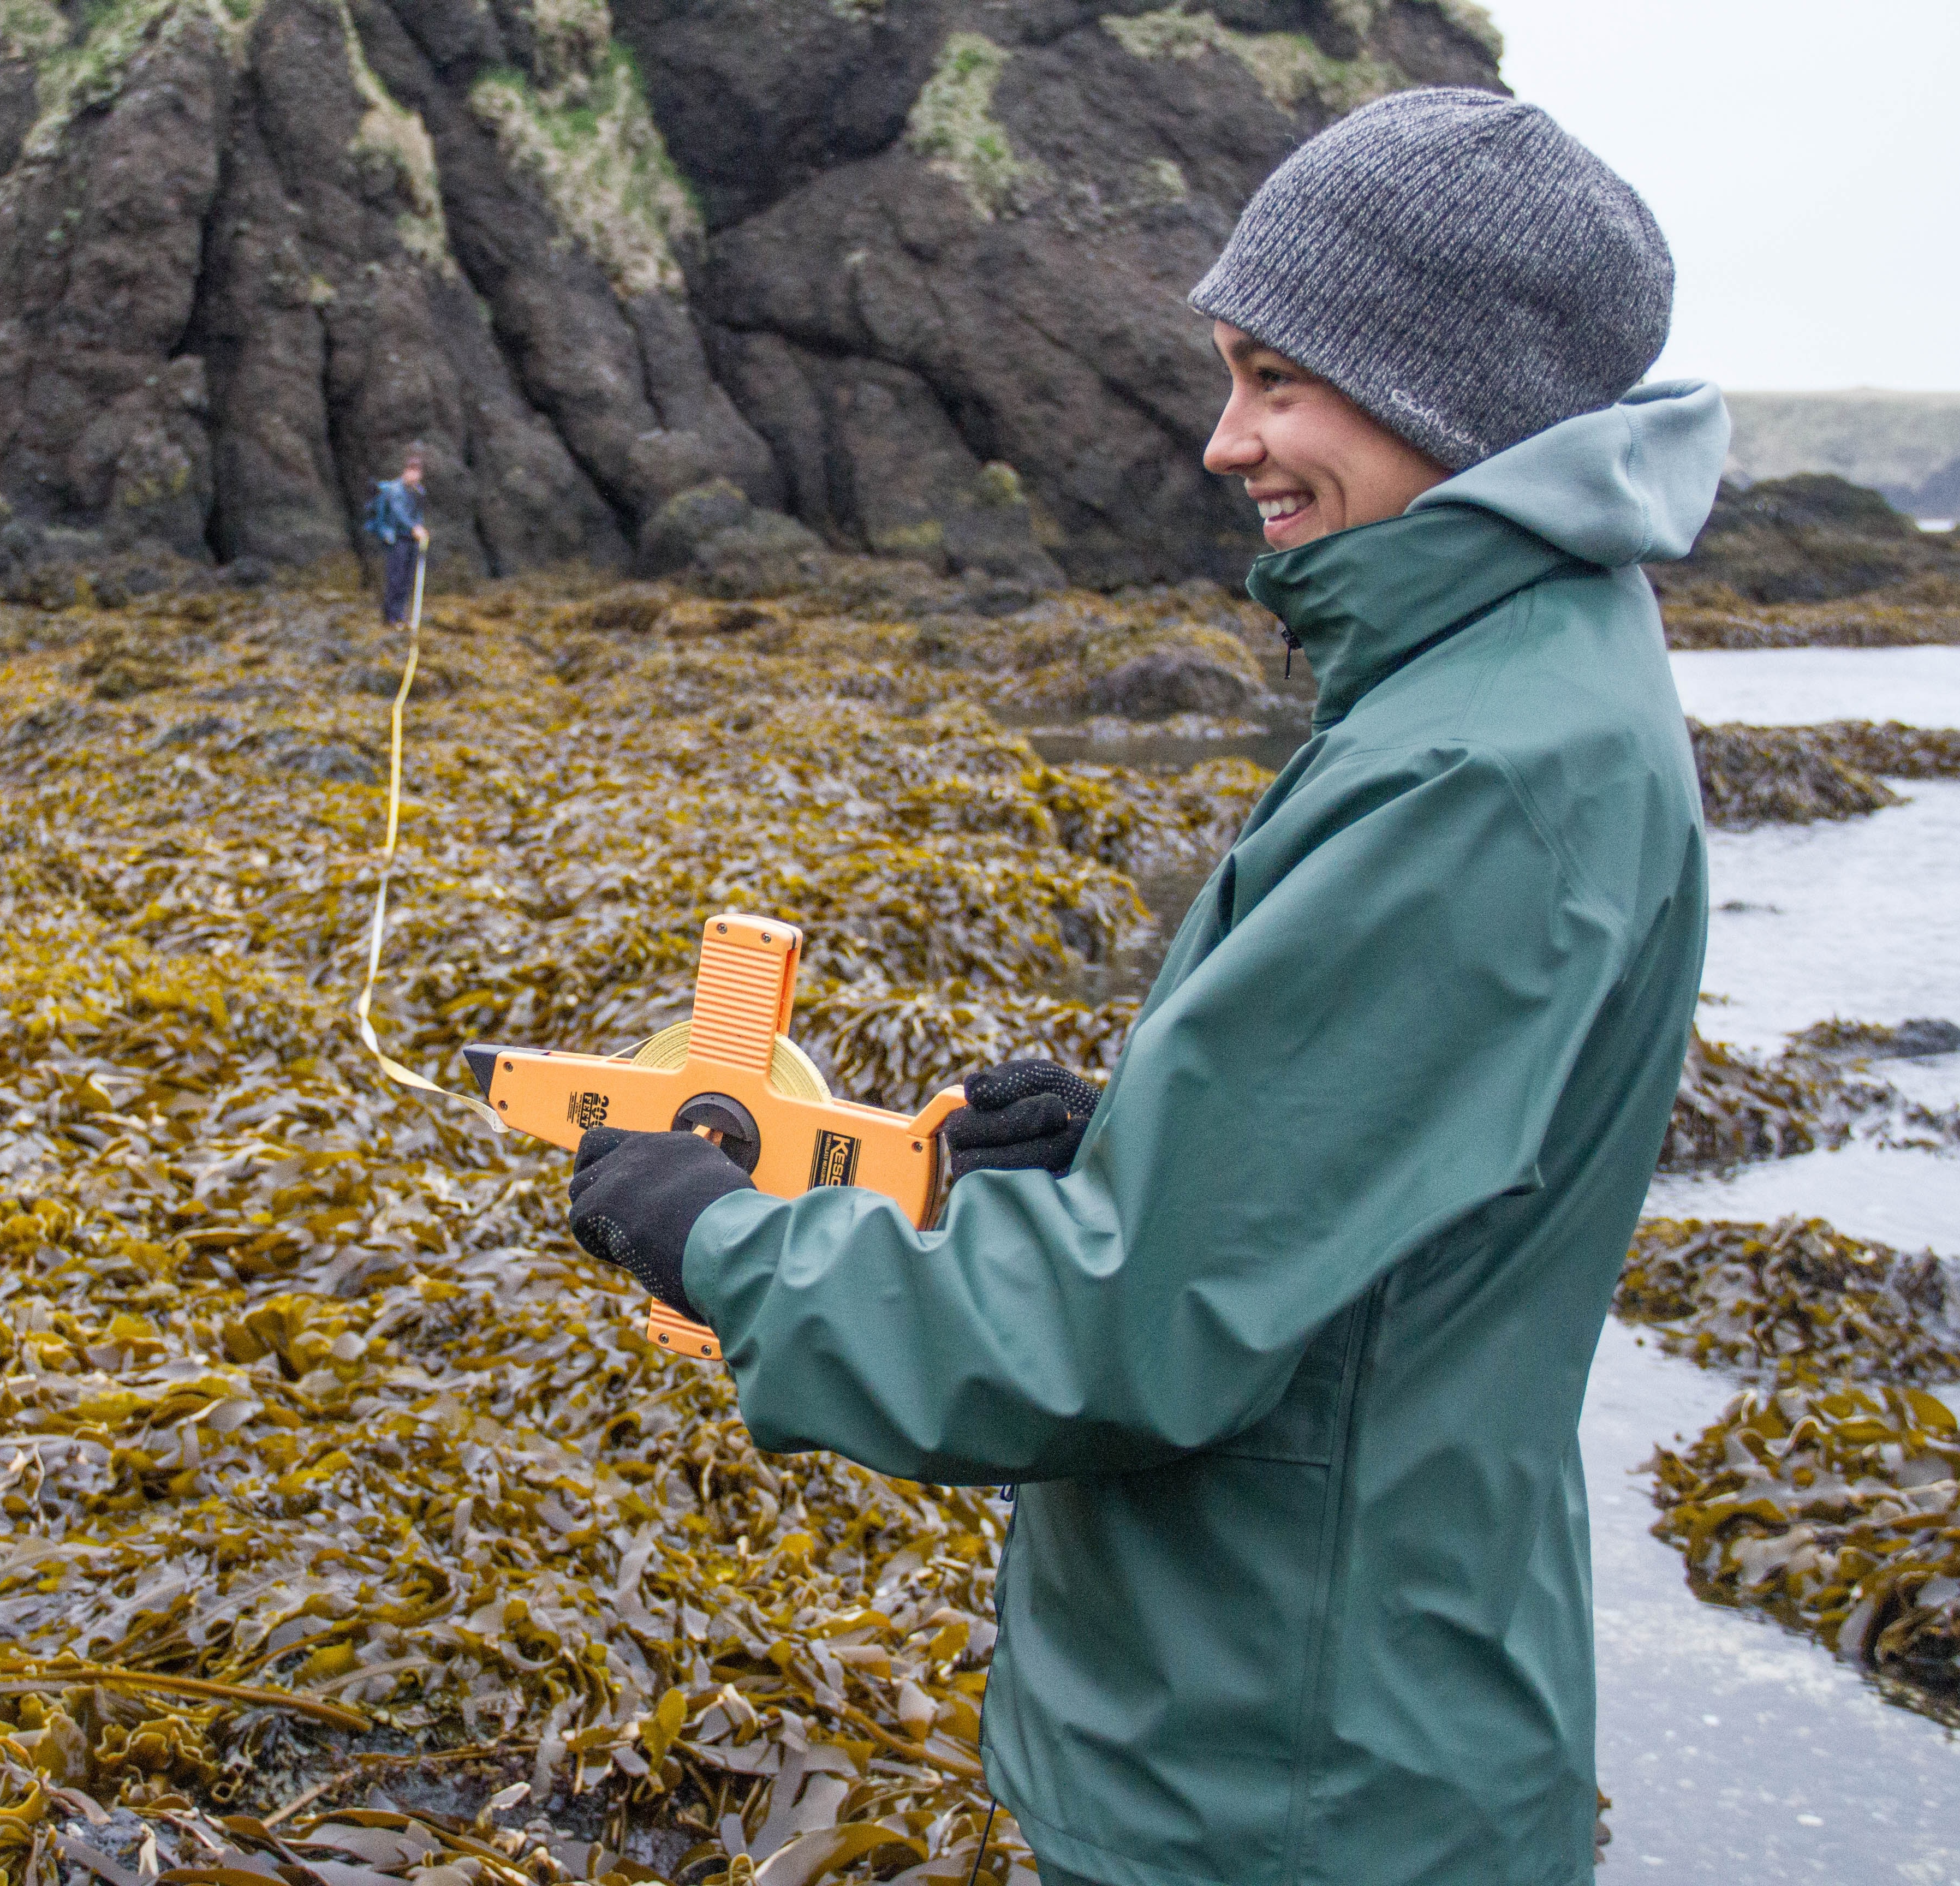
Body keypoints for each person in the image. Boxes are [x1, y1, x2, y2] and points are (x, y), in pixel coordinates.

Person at [564, 89, 1726, 1886]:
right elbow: (1387, 1216)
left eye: (1275, 379)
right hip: (1351, 1701)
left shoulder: (1470, 771)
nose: (1219, 440)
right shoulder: (1525, 674)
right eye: (1229, 375)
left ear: (1445, 389)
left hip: (1284, 1777)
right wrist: (1143, 1153)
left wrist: (724, 1242)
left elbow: (1127, 1337)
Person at [364, 450, 430, 626]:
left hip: (412, 540)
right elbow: (399, 512)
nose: (414, 475)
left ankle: (400, 614)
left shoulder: (418, 491)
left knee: (408, 578)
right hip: (396, 539)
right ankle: (390, 616)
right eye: (411, 470)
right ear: (405, 471)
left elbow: (418, 513)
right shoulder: (395, 489)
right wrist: (414, 527)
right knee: (396, 577)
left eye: (417, 472)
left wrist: (420, 528)